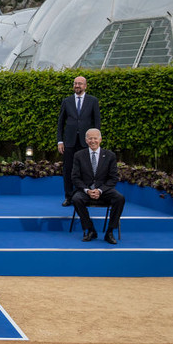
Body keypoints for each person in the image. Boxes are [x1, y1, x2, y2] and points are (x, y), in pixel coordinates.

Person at [71, 129, 124, 244]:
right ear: (86, 140)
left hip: (104, 190)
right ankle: (90, 230)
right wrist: (87, 190)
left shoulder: (110, 155)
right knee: (76, 199)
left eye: (95, 138)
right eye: (90, 138)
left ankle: (109, 232)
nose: (93, 141)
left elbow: (113, 178)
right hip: (86, 190)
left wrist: (100, 190)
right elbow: (75, 177)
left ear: (100, 139)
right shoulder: (79, 155)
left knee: (119, 198)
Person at [57, 76, 100, 206]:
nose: (77, 85)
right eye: (75, 83)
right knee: (68, 169)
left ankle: (82, 196)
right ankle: (69, 197)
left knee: (85, 170)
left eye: (80, 84)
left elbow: (96, 121)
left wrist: (95, 140)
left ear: (85, 86)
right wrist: (60, 141)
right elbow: (60, 122)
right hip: (69, 142)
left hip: (85, 142)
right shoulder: (67, 101)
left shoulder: (93, 101)